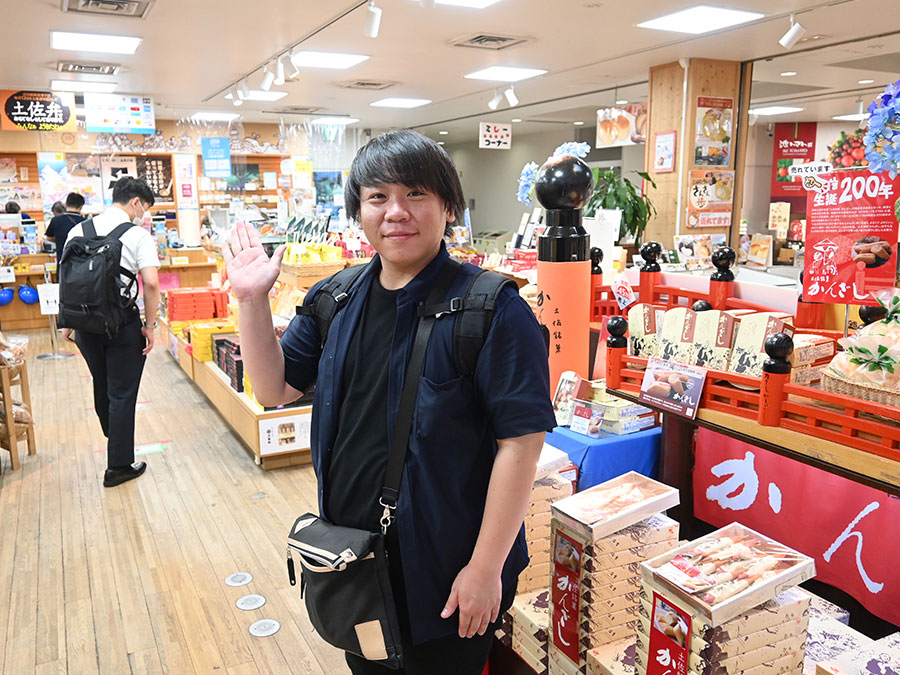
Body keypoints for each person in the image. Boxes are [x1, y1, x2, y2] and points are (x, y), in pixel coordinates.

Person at [225, 129, 555, 675]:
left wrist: (485, 567)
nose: (396, 212)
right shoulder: (336, 297)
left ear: (449, 207)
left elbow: (520, 444)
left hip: (448, 570)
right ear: (359, 210)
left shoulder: (491, 310)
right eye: (378, 197)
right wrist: (252, 300)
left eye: (416, 194)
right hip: (353, 560)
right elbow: (273, 387)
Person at [61, 177, 160, 488]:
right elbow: (152, 284)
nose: (143, 214)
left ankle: (113, 434)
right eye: (144, 208)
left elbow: (67, 275)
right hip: (122, 325)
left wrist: (66, 321)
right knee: (122, 392)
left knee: (102, 383)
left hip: (85, 323)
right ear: (135, 202)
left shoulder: (79, 230)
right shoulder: (137, 234)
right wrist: (151, 325)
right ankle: (118, 466)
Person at [45, 192, 86, 264]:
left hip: (62, 263)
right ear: (81, 207)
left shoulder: (56, 220)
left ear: (66, 204)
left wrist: (59, 240)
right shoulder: (85, 223)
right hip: (80, 265)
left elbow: (49, 237)